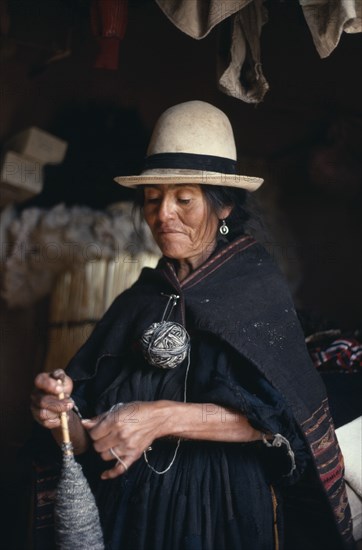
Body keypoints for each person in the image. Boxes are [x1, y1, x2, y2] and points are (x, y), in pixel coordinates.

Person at [30, 101, 355, 550]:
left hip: (221, 513)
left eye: (183, 199)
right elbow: (88, 439)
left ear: (222, 208)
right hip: (129, 516)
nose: (163, 215)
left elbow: (282, 424)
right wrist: (62, 417)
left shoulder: (255, 288)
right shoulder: (139, 301)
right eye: (152, 199)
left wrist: (161, 417)